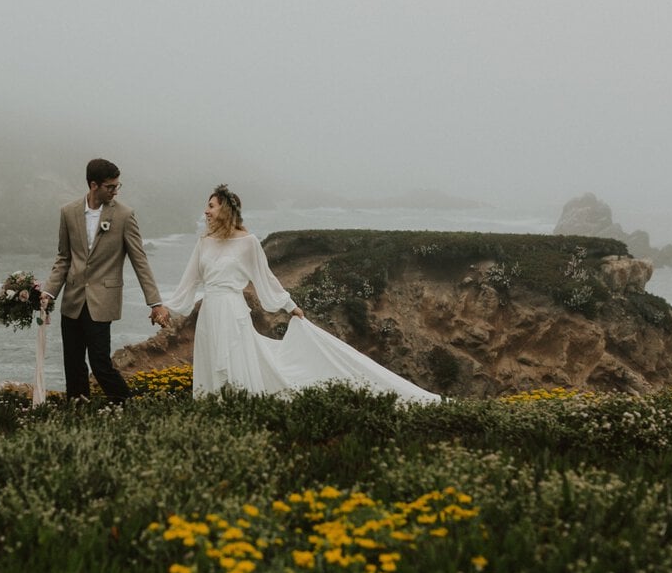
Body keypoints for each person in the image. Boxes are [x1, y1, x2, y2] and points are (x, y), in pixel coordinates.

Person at [162, 184, 441, 404]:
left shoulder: (248, 243)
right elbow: (188, 283)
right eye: (206, 207)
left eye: (210, 206)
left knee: (236, 368)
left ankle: (242, 412)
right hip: (210, 314)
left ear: (225, 209)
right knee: (212, 368)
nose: (205, 212)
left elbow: (266, 279)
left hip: (233, 314)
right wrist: (163, 308)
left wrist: (289, 305)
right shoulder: (204, 243)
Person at [43, 158, 169, 403]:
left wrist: (155, 302)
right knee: (73, 363)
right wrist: (49, 293)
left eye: (117, 186)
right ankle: (79, 412)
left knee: (100, 363)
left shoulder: (124, 215)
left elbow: (139, 260)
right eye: (110, 187)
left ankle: (127, 406)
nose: (115, 191)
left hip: (102, 301)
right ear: (93, 185)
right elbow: (63, 258)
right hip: (72, 300)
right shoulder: (68, 212)